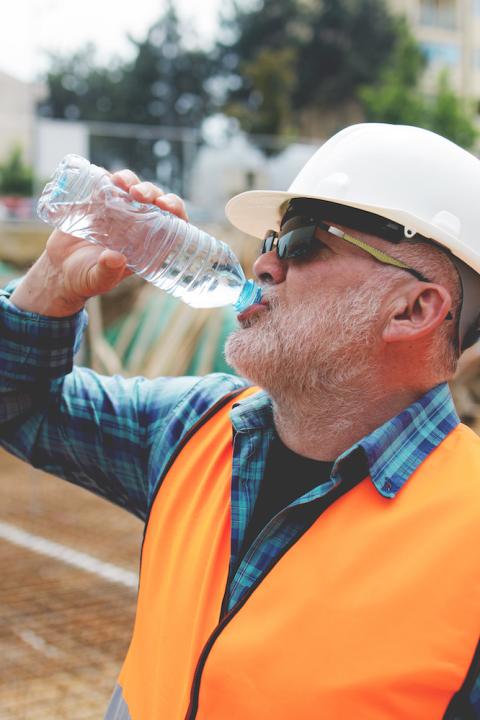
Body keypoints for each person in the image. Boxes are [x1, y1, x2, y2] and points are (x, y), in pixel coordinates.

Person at [0, 123, 479, 720]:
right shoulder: (193, 429)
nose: (264, 264)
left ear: (414, 308)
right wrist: (51, 284)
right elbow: (18, 404)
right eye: (272, 239)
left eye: (303, 243)